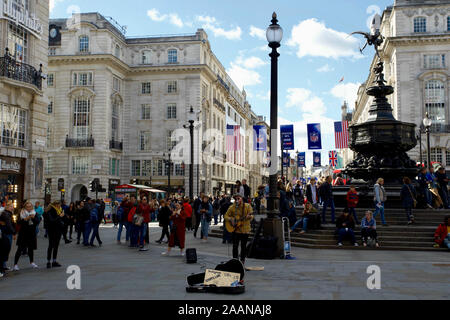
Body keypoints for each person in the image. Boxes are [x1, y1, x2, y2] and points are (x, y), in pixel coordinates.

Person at [224, 194, 254, 264]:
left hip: (245, 230)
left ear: (241, 198)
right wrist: (230, 219)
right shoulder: (232, 207)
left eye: (238, 198)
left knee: (243, 246)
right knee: (235, 246)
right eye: (235, 199)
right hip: (236, 230)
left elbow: (252, 215)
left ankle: (242, 261)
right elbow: (225, 215)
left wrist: (249, 217)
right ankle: (235, 260)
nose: (237, 200)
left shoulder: (247, 206)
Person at [13, 201, 39, 270]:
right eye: (27, 206)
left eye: (30, 206)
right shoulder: (21, 213)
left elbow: (37, 222)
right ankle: (15, 264)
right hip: (23, 234)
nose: (29, 208)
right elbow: (18, 222)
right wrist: (25, 219)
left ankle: (32, 262)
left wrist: (33, 218)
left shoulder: (34, 213)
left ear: (32, 207)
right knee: (20, 249)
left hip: (31, 233)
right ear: (24, 207)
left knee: (31, 249)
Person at [45, 201, 65, 268]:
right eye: (59, 205)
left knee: (56, 246)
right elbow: (52, 221)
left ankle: (54, 261)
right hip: (52, 230)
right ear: (56, 205)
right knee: (51, 246)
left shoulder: (59, 210)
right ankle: (48, 261)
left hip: (58, 230)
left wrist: (62, 217)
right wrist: (60, 216)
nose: (60, 206)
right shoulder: (50, 211)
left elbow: (60, 220)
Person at [0, 201, 16, 273]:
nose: (12, 207)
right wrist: (14, 232)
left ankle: (4, 265)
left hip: (7, 232)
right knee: (5, 249)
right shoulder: (6, 214)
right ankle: (3, 267)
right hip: (6, 233)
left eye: (12, 206)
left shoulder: (8, 213)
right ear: (7, 207)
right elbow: (9, 225)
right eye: (11, 206)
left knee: (6, 250)